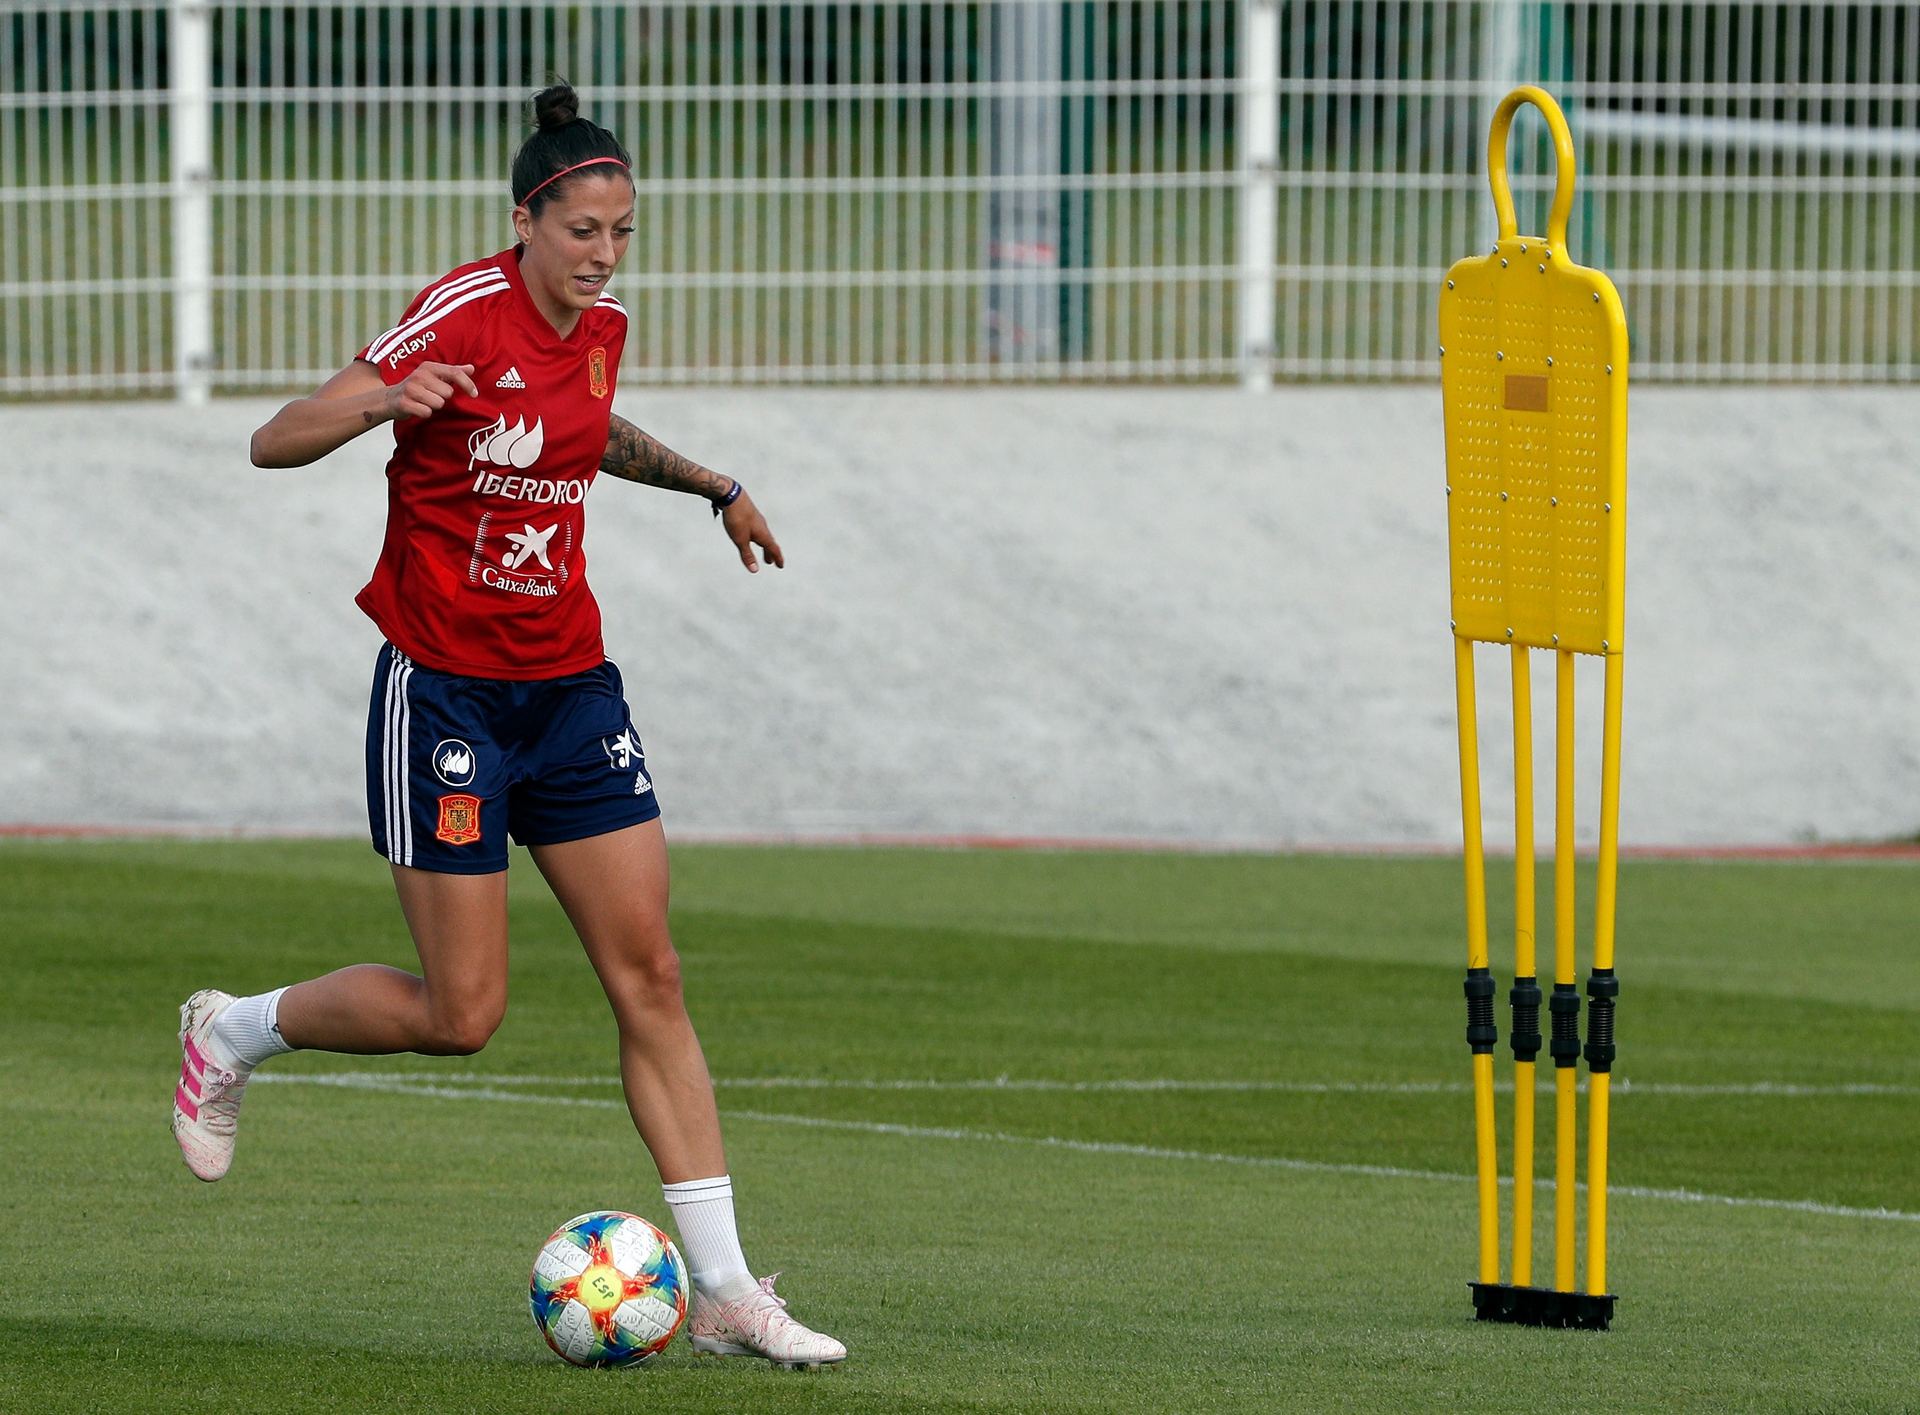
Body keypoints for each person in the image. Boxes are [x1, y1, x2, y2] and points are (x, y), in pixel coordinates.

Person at [170, 82, 845, 1371]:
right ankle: (233, 1030)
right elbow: (274, 438)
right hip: (447, 696)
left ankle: (723, 1292)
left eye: (623, 232)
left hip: (572, 689)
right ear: (528, 218)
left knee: (649, 976)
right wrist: (385, 398)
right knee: (461, 1012)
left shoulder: (604, 329)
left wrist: (717, 487)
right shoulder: (458, 311)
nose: (603, 255)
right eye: (583, 229)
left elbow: (581, 438)